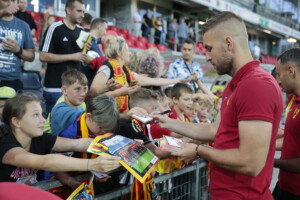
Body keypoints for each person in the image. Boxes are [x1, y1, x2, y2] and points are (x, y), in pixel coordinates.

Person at [153, 11, 283, 199]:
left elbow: (251, 163)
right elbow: (215, 129)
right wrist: (166, 122)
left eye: (209, 48)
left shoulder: (256, 85)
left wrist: (199, 151)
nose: (206, 56)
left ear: (229, 44)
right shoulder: (236, 84)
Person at [0, 93, 121, 183]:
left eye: (42, 114)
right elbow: (46, 162)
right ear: (16, 122)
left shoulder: (40, 138)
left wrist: (122, 146)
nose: (43, 120)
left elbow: (78, 144)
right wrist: (92, 164)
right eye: (35, 115)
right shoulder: (6, 148)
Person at [90, 35, 184, 113]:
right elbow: (93, 93)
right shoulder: (107, 67)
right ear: (119, 53)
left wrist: (177, 80)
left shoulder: (126, 72)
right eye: (127, 50)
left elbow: (154, 81)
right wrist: (120, 92)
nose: (129, 53)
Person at [40, 0, 89, 115]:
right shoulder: (55, 28)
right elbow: (43, 56)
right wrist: (72, 56)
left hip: (76, 89)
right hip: (56, 88)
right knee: (54, 127)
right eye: (79, 11)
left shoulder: (82, 31)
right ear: (68, 10)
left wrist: (85, 51)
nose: (82, 15)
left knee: (73, 128)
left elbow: (81, 59)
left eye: (83, 11)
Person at [272, 48, 300, 200]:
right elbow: (292, 139)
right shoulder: (294, 100)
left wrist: (270, 161)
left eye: (279, 73)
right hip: (283, 185)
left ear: (291, 71)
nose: (278, 80)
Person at [0, 0, 34, 92]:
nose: (10, 4)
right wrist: (2, 12)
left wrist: (18, 49)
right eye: (6, 0)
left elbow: (31, 56)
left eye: (13, 1)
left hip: (12, 80)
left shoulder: (24, 26)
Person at [45, 69, 87, 135]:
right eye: (77, 89)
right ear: (64, 90)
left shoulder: (80, 107)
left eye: (85, 89)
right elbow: (85, 118)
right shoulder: (59, 110)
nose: (83, 94)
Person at [81, 18, 108, 86]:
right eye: (105, 29)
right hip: (85, 82)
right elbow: (84, 61)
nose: (105, 32)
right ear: (99, 27)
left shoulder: (93, 42)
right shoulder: (87, 41)